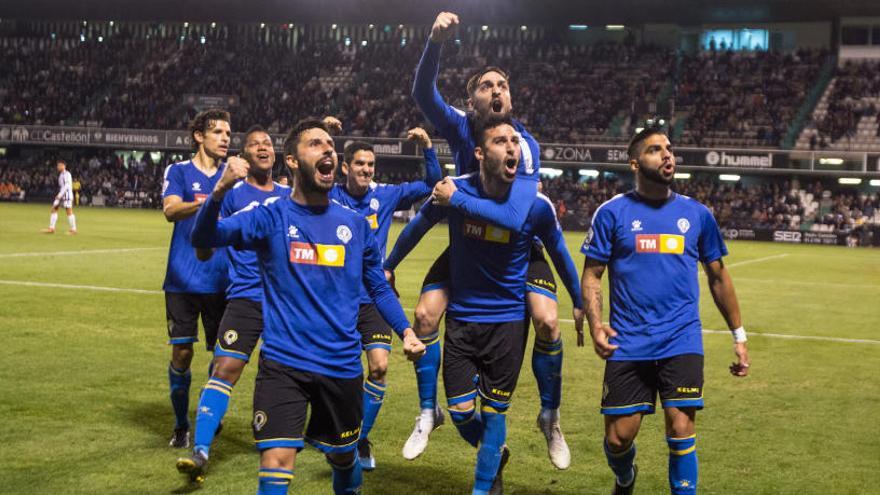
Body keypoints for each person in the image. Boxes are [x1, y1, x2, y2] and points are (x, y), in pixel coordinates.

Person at [190, 118, 425, 495]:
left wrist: (407, 332)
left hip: (341, 367)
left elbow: (378, 287)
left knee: (343, 457)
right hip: (284, 366)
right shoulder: (271, 216)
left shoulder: (354, 224)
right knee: (276, 462)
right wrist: (219, 192)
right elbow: (206, 237)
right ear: (293, 161)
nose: (328, 149)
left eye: (331, 145)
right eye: (316, 143)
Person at [400, 11, 576, 468]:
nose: (497, 90)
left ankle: (549, 417)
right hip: (470, 242)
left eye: (503, 85)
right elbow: (422, 93)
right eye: (486, 85)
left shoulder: (523, 145)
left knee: (548, 321)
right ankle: (428, 411)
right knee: (423, 315)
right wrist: (435, 41)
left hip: (517, 244)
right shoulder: (460, 126)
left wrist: (455, 198)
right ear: (472, 100)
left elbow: (517, 217)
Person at [384, 116, 583, 494]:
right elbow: (417, 227)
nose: (512, 146)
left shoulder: (531, 201)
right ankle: (435, 416)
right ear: (479, 152)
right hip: (463, 317)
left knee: (497, 411)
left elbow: (558, 251)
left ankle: (544, 424)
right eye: (500, 141)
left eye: (514, 141)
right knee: (462, 413)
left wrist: (577, 300)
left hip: (506, 322)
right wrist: (388, 266)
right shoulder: (452, 189)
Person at [580, 128, 751, 495]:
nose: (667, 155)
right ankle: (625, 477)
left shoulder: (697, 214)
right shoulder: (611, 213)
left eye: (669, 149)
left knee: (681, 428)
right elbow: (592, 276)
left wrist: (739, 336)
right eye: (655, 150)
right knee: (618, 439)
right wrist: (596, 324)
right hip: (628, 342)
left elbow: (718, 276)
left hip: (681, 337)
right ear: (635, 163)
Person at [176, 125, 289, 483]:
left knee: (286, 374)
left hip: (286, 301)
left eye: (267, 143)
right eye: (254, 144)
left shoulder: (289, 195)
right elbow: (205, 243)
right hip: (247, 296)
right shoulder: (233, 192)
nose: (262, 147)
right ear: (244, 155)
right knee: (225, 367)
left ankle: (290, 437)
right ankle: (201, 449)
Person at [328, 127, 442, 471]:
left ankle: (360, 441)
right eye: (360, 163)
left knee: (378, 367)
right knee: (340, 376)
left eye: (371, 164)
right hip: (337, 300)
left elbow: (432, 185)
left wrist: (427, 148)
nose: (366, 169)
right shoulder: (329, 195)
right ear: (344, 167)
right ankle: (337, 433)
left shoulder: (386, 195)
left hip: (375, 297)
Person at [161, 108, 231, 449]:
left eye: (228, 134)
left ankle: (207, 410)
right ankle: (179, 425)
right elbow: (170, 209)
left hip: (221, 281)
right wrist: (209, 200)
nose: (225, 138)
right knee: (182, 356)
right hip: (182, 278)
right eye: (217, 132)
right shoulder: (178, 171)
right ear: (199, 136)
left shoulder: (232, 177)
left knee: (222, 358)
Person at [44, 159, 76, 234]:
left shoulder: (66, 174)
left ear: (63, 166)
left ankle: (73, 229)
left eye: (59, 165)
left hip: (66, 195)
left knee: (69, 211)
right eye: (57, 165)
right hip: (62, 195)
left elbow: (67, 185)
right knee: (54, 209)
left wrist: (60, 195)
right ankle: (51, 228)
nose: (58, 167)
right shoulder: (61, 175)